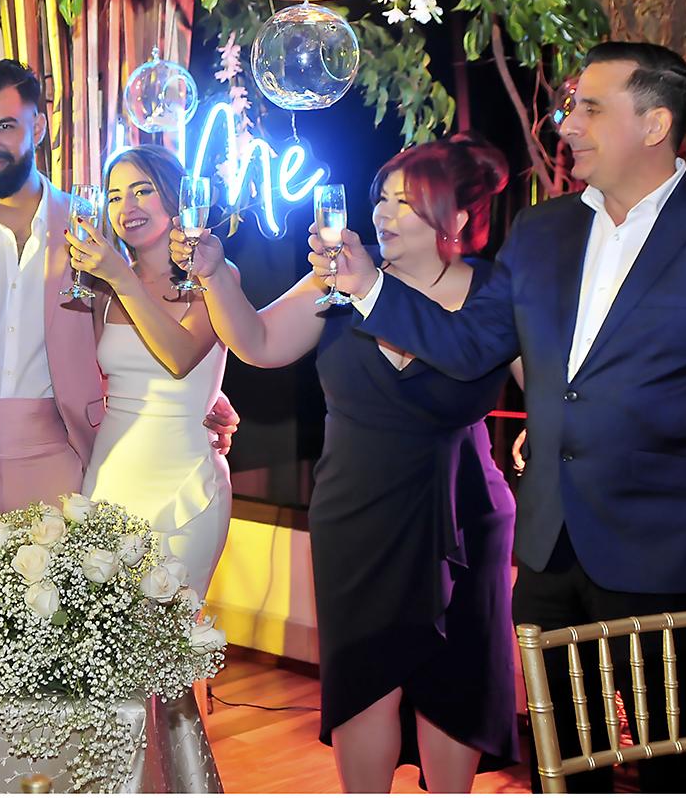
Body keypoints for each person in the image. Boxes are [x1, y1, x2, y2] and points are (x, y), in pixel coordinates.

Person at [315, 42, 686, 792]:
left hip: (665, 553)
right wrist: (369, 288)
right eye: (569, 107)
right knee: (562, 767)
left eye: (590, 108)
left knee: (676, 766)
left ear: (655, 123)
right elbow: (469, 347)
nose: (568, 124)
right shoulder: (540, 231)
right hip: (549, 548)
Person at [178, 137, 519, 792]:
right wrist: (215, 273)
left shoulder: (495, 292)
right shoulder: (334, 279)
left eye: (406, 202)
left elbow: (521, 373)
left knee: (456, 681)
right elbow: (259, 341)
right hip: (358, 511)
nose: (384, 213)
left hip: (460, 506)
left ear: (455, 217)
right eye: (382, 197)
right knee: (364, 679)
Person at [0, 60, 234, 533]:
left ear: (38, 127)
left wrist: (204, 396)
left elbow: (129, 325)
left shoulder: (90, 225)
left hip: (60, 466)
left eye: (4, 125)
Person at [63, 145, 232, 596]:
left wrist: (121, 278)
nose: (127, 207)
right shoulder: (101, 289)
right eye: (115, 196)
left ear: (175, 197)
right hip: (111, 474)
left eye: (142, 191)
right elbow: (92, 377)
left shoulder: (215, 277)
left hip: (184, 479)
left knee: (176, 630)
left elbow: (180, 358)